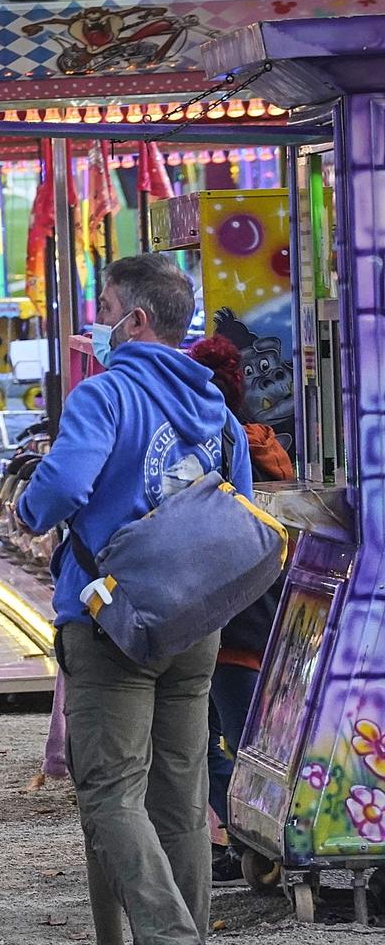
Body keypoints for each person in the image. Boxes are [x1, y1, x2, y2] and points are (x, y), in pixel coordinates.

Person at [16, 253, 251, 945]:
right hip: (196, 622)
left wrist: (23, 506)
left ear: (136, 320)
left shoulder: (104, 394)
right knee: (180, 790)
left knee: (111, 790)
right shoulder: (214, 404)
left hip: (110, 620)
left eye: (107, 304)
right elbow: (240, 512)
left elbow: (58, 491)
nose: (101, 318)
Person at [185, 334, 293, 881]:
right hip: (275, 609)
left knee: (213, 740)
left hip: (223, 616)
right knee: (259, 737)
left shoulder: (207, 449)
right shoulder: (272, 451)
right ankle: (258, 840)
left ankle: (242, 841)